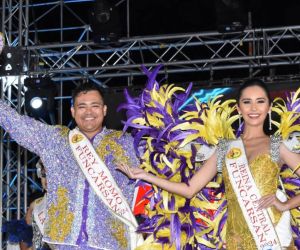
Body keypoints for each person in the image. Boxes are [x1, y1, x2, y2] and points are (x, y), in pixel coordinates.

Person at [118, 78, 300, 249]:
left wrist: (286, 204)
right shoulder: (225, 149)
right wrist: (146, 176)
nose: (254, 108)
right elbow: (189, 189)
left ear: (269, 107)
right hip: (236, 237)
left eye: (260, 101)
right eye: (247, 102)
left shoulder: (277, 146)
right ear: (238, 108)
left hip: (272, 233)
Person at [0, 83, 143, 249]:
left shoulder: (128, 144)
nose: (88, 112)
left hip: (111, 244)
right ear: (73, 112)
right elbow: (13, 121)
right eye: (82, 106)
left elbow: (167, 159)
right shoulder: (54, 140)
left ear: (104, 110)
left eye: (94, 106)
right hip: (63, 243)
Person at [24, 159, 50, 250]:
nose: (46, 179)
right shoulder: (35, 205)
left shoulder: (73, 204)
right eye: (44, 175)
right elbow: (27, 236)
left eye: (51, 175)